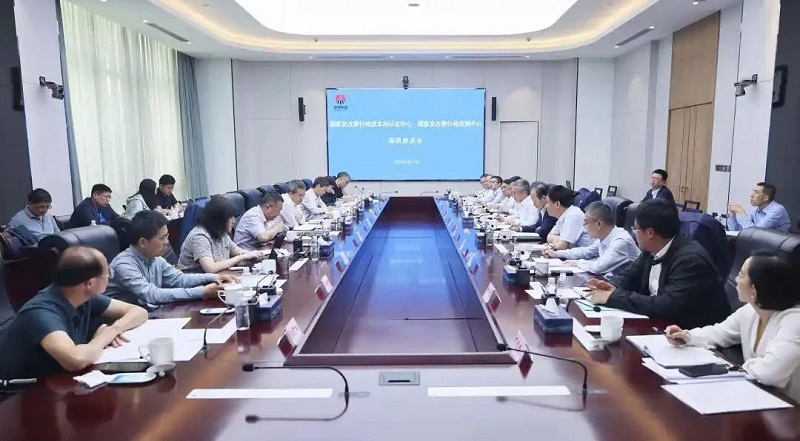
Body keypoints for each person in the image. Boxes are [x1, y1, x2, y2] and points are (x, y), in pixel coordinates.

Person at [665, 251, 800, 402]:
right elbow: (719, 333)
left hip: (791, 407)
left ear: (754, 290)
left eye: (741, 275)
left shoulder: (794, 321)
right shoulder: (750, 311)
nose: (735, 279)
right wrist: (687, 336)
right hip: (760, 397)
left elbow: (771, 373)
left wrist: (739, 367)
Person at [0, 247, 147, 379]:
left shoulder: (82, 295)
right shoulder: (41, 313)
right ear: (90, 283)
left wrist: (114, 329)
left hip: (57, 380)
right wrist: (103, 337)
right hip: (20, 393)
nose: (109, 278)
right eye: (108, 274)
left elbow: (138, 312)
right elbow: (76, 360)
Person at [586, 199, 730, 328]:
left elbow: (665, 305)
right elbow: (629, 275)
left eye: (635, 229)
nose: (634, 233)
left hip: (693, 334)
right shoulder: (651, 249)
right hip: (661, 326)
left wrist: (614, 297)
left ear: (650, 233)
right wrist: (611, 286)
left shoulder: (690, 260)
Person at [105, 210, 234, 308]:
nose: (167, 242)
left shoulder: (155, 259)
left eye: (167, 236)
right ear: (143, 242)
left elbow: (180, 279)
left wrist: (214, 277)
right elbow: (152, 295)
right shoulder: (123, 265)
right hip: (120, 326)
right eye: (162, 238)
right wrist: (203, 292)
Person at [544, 202, 639, 277]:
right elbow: (586, 252)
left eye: (586, 223)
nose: (584, 227)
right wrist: (557, 254)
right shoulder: (604, 237)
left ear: (599, 224)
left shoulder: (620, 240)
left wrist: (577, 263)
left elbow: (599, 267)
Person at [177, 196, 263, 273]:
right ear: (219, 219)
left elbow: (237, 251)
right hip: (195, 282)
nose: (234, 221)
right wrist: (242, 257)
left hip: (216, 278)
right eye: (230, 217)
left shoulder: (221, 233)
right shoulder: (200, 236)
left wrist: (251, 254)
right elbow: (210, 268)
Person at [545, 184, 593, 249]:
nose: (546, 206)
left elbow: (562, 246)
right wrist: (559, 239)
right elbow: (549, 237)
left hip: (587, 254)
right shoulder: (564, 215)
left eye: (547, 202)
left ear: (557, 204)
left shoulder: (573, 215)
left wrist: (554, 244)